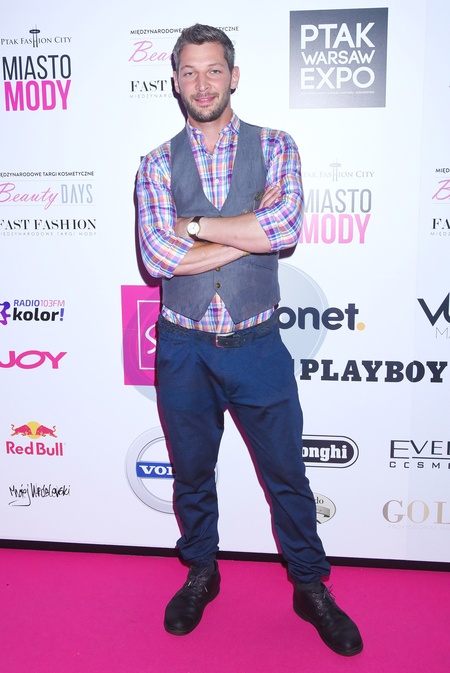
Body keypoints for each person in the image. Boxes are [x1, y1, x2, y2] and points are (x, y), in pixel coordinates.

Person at [136, 23, 363, 657]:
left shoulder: (276, 145)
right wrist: (246, 230)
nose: (202, 83)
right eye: (189, 71)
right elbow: (157, 257)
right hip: (183, 349)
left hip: (258, 344)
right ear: (175, 82)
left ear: (233, 76)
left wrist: (194, 226)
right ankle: (201, 572)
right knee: (191, 474)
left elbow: (284, 228)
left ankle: (310, 585)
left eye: (213, 69)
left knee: (287, 474)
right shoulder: (155, 163)